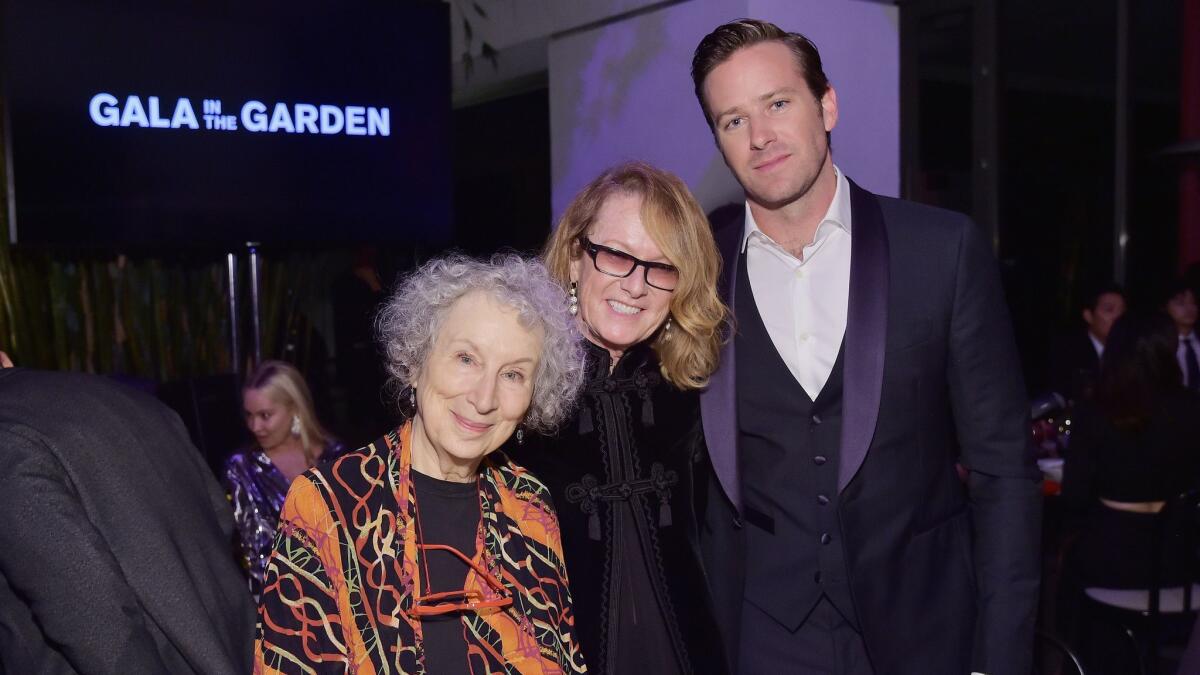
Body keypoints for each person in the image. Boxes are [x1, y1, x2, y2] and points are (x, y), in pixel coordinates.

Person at [690, 19, 1041, 675]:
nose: (760, 135)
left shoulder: (941, 251)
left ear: (826, 104)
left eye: (777, 103)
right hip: (760, 639)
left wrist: (1000, 656)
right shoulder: (695, 271)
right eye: (732, 121)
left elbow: (1005, 476)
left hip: (922, 633)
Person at [254, 254, 588, 674]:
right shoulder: (328, 503)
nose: (485, 399)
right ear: (415, 362)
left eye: (513, 375)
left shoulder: (530, 506)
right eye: (466, 358)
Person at [511, 162, 729, 674]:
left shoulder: (697, 393)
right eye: (616, 256)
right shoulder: (513, 385)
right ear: (573, 258)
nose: (637, 285)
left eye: (662, 266)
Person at [0, 366, 255, 674]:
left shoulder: (8, 437)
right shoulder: (133, 400)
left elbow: (92, 618)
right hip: (236, 649)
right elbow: (218, 519)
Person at [1061, 313, 1200, 587]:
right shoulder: (1192, 407)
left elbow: (1074, 496)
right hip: (1179, 558)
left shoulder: (1096, 409)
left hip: (1112, 554)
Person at [223, 360, 347, 601]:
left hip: (336, 601)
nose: (255, 426)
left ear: (295, 409)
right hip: (271, 604)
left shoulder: (337, 459)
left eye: (265, 415)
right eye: (249, 415)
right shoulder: (242, 468)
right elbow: (248, 550)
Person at [1049, 283, 1127, 402]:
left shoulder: (1131, 350)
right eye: (1109, 310)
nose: (1117, 317)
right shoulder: (1069, 352)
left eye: (1122, 312)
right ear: (1089, 316)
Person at [1164, 280, 1200, 390]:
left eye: (1193, 302)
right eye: (1181, 303)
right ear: (1165, 307)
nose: (1189, 308)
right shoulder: (1160, 345)